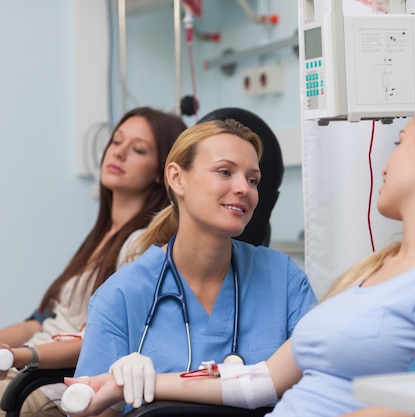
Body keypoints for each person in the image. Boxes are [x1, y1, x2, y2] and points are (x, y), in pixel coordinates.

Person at [64, 93, 415, 417]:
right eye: (224, 172)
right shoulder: (374, 271)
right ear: (176, 179)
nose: (387, 157)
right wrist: (130, 383)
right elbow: (261, 381)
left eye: (401, 139)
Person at [71, 118, 317, 411]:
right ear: (177, 178)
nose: (244, 188)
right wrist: (114, 385)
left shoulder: (283, 278)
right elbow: (85, 406)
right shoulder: (122, 295)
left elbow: (320, 380)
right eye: (225, 172)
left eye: (253, 180)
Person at [0, 107, 187, 417]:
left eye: (138, 149)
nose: (119, 153)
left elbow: (100, 339)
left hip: (50, 385)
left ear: (162, 172)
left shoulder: (141, 246)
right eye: (116, 142)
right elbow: (44, 320)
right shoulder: (101, 236)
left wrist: (20, 357)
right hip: (24, 368)